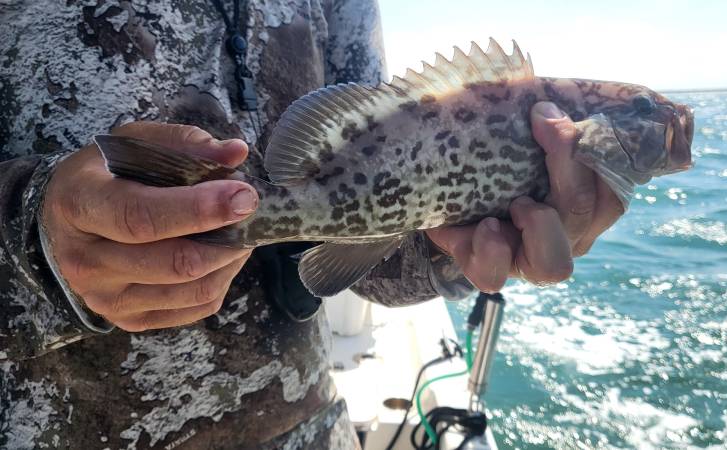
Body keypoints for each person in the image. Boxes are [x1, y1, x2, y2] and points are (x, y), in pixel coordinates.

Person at [0, 0, 623, 448]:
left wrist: (457, 250)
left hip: (307, 426)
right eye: (643, 110)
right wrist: (31, 228)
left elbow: (376, 247)